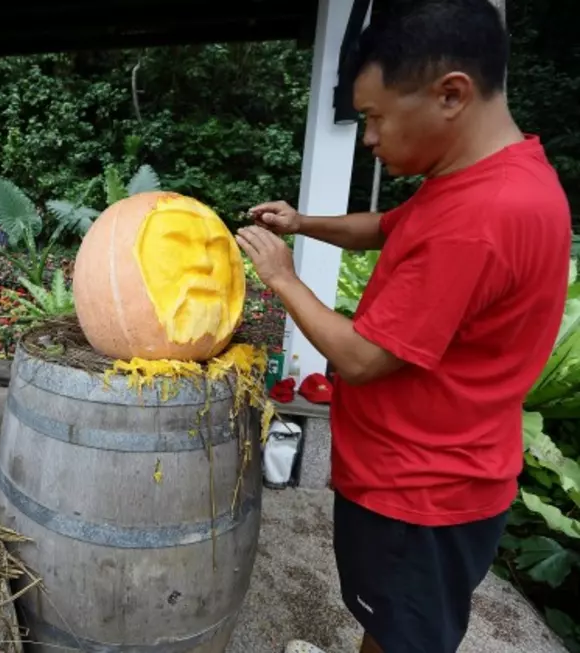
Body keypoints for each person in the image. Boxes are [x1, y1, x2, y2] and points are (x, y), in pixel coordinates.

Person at [235, 2, 573, 652]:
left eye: (375, 117)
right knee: (391, 624)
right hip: (440, 470)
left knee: (404, 634)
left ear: (451, 93)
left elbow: (362, 358)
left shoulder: (478, 218)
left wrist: (282, 276)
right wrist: (303, 224)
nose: (368, 137)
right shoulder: (481, 179)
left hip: (420, 492)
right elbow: (385, 228)